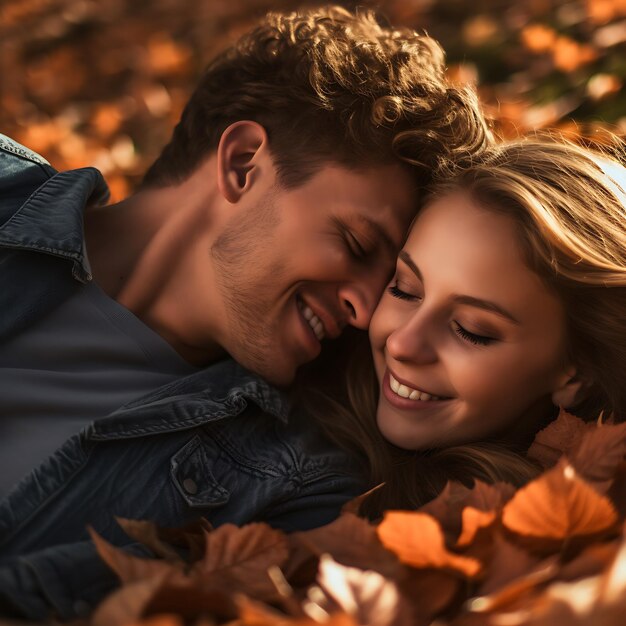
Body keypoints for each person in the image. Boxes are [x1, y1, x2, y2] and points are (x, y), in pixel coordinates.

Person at [0, 5, 491, 620]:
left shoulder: (289, 484)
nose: (367, 313)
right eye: (358, 246)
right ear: (243, 164)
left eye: (393, 283)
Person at [304, 134, 626, 517]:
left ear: (580, 374)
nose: (402, 345)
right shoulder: (289, 416)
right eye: (404, 289)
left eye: (472, 330)